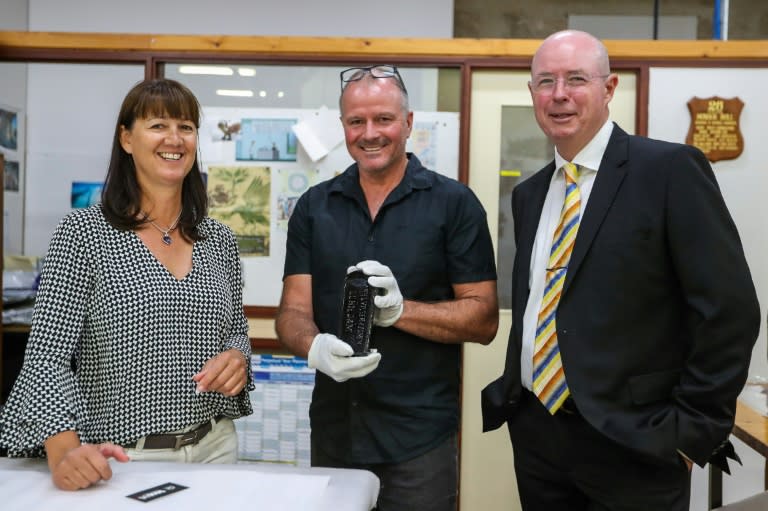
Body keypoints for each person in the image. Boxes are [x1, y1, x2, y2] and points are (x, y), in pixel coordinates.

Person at [481, 30, 760, 511]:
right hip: (539, 435)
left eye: (576, 79)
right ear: (532, 94)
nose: (559, 94)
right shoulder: (530, 195)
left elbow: (728, 311)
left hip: (635, 444)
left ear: (609, 89)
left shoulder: (669, 171)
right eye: (545, 81)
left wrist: (691, 430)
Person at [0, 79, 253, 490]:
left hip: (216, 446)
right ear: (127, 138)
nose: (175, 138)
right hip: (120, 457)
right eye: (158, 125)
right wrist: (64, 450)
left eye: (186, 127)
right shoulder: (84, 232)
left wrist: (237, 358)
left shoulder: (218, 239)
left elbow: (236, 331)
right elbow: (46, 356)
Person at [275, 64, 499, 510]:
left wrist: (401, 312)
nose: (369, 133)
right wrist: (313, 345)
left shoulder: (454, 205)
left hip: (419, 442)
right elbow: (291, 313)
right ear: (343, 127)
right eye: (356, 121)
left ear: (409, 123)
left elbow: (484, 318)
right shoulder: (315, 208)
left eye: (383, 119)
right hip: (335, 434)